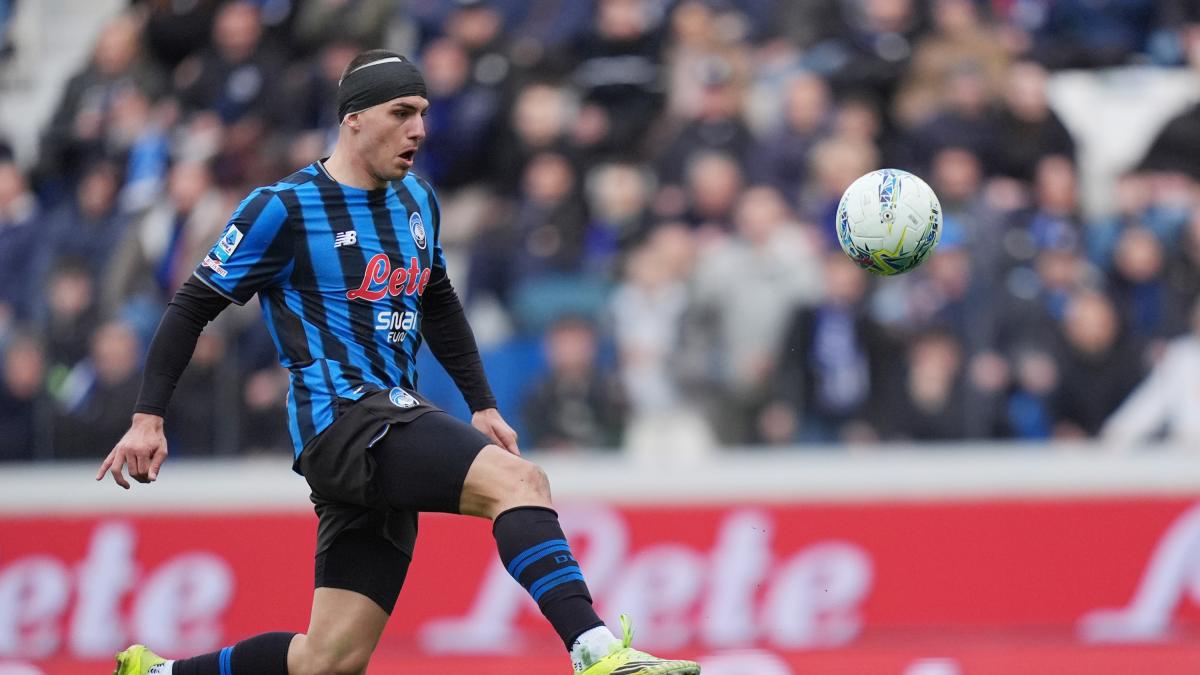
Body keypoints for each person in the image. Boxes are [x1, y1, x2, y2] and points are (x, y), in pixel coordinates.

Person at [98, 50, 700, 675]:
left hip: (383, 426)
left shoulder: (416, 199)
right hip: (345, 419)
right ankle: (596, 653)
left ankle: (160, 674)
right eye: (402, 113)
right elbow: (192, 305)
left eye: (424, 114)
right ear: (353, 119)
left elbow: (439, 301)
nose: (419, 129)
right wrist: (147, 418)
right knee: (521, 484)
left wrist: (482, 404)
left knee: (327, 660)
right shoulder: (284, 207)